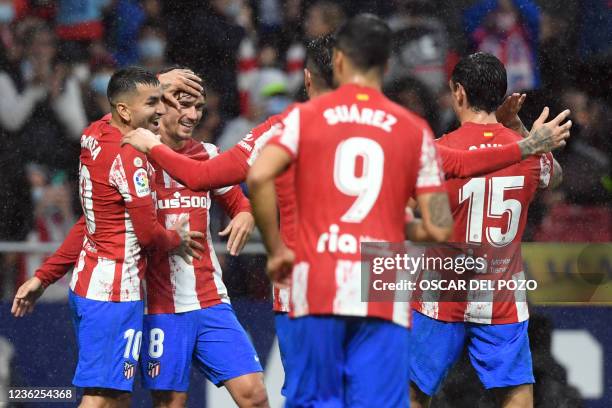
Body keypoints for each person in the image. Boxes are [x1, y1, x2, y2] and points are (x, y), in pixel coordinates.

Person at [247, 14, 453, 406]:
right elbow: (440, 228)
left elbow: (258, 177)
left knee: (317, 400)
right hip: (381, 275)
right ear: (388, 65)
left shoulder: (306, 118)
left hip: (320, 270)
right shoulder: (413, 128)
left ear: (338, 61)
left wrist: (276, 250)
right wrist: (395, 228)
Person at [11, 66, 204, 407]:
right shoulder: (131, 158)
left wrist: (44, 276)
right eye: (153, 102)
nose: (161, 109)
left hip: (90, 284)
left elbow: (88, 221)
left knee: (115, 396)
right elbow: (148, 235)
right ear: (126, 111)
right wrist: (178, 239)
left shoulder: (95, 135)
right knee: (100, 399)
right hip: (115, 296)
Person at [409, 52, 565, 408]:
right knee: (515, 392)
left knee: (413, 390)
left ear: (458, 93)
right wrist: (521, 131)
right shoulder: (525, 153)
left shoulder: (438, 152)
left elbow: (412, 207)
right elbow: (555, 177)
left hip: (441, 291)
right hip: (499, 293)